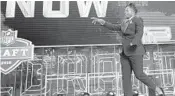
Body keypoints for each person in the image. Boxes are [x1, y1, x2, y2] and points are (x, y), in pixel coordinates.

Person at [91, 3, 165, 96]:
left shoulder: (137, 20)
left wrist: (134, 42)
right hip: (125, 54)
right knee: (125, 77)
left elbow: (139, 33)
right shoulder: (124, 22)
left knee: (139, 74)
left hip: (135, 51)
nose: (125, 12)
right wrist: (102, 22)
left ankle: (156, 88)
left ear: (133, 11)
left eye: (127, 10)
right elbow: (114, 27)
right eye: (125, 10)